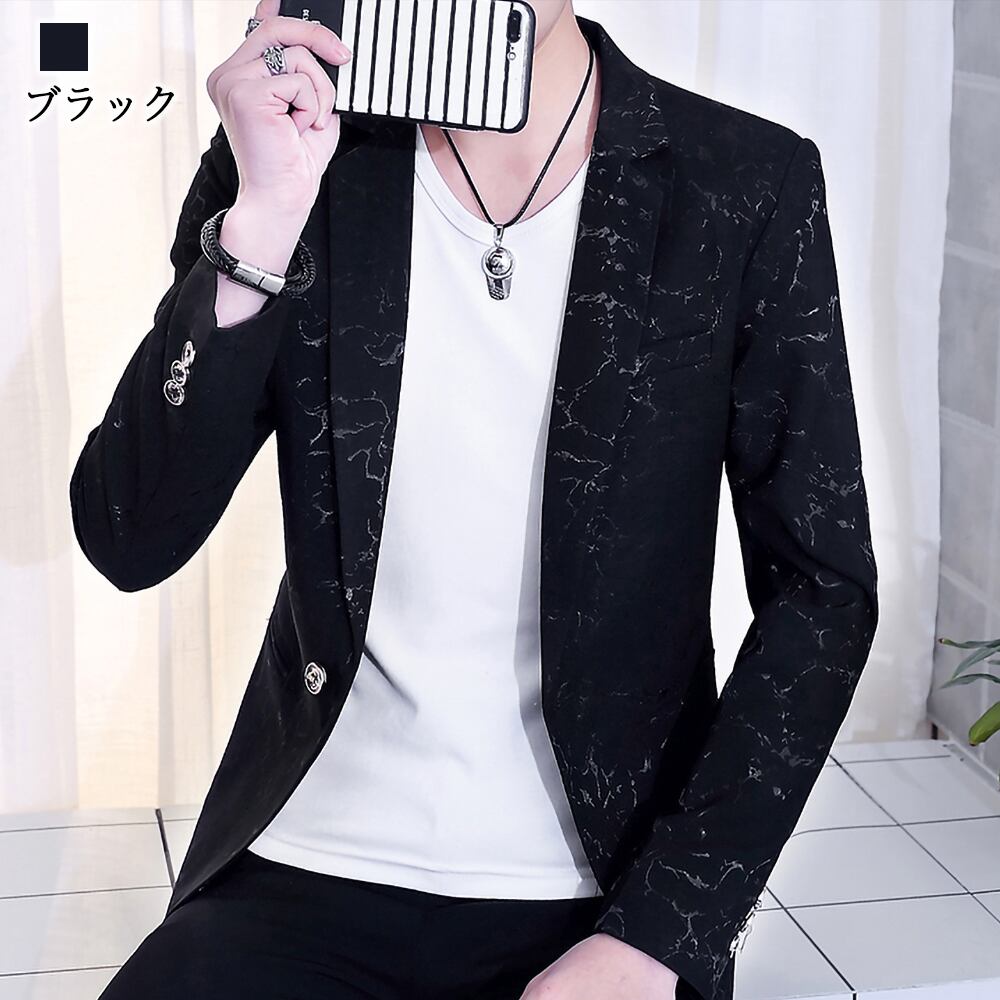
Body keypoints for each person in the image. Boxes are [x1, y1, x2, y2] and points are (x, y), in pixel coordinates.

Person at [74, 1, 879, 998]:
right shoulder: (303, 152)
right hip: (309, 850)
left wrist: (662, 932)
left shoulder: (742, 180)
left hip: (605, 878)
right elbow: (128, 536)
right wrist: (263, 221)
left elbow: (821, 593)